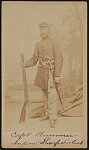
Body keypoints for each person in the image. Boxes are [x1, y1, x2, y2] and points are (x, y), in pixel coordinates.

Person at [24, 22, 63, 128]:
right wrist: (25, 64)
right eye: (41, 30)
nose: (42, 31)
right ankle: (46, 114)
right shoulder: (38, 44)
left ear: (49, 30)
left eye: (44, 29)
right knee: (44, 96)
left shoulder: (55, 43)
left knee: (52, 96)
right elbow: (34, 59)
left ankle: (53, 118)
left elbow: (59, 59)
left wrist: (57, 75)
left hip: (51, 73)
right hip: (41, 73)